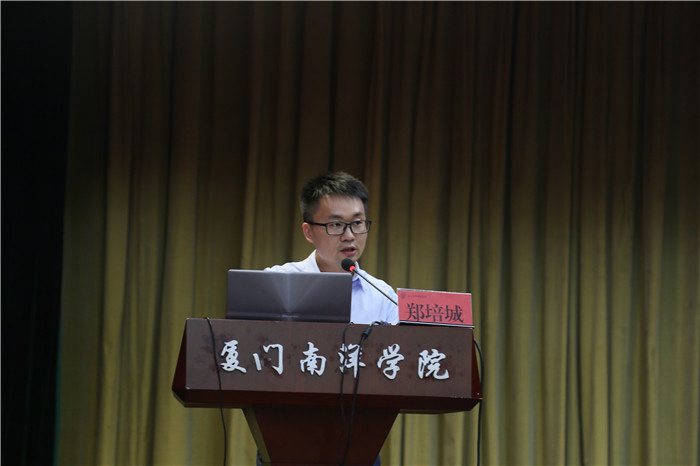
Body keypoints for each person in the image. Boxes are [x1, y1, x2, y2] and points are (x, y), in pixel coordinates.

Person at [265, 171, 399, 325]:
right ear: (308, 232)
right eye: (336, 224)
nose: (349, 236)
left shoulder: (384, 298)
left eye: (357, 223)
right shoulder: (276, 284)